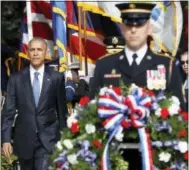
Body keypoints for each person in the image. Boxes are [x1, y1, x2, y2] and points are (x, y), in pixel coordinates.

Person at [90, 2, 184, 170]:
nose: (133, 30)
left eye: (139, 23)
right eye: (128, 23)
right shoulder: (104, 65)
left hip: (156, 157)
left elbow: (180, 115)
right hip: (114, 157)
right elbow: (92, 111)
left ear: (149, 27)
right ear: (122, 27)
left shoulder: (166, 65)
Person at [1, 37, 68, 170]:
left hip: (48, 140)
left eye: (39, 50)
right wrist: (6, 139)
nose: (36, 53)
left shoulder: (56, 78)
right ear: (27, 53)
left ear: (45, 52)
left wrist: (65, 138)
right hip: (24, 139)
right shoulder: (16, 79)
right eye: (32, 50)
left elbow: (62, 112)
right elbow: (8, 112)